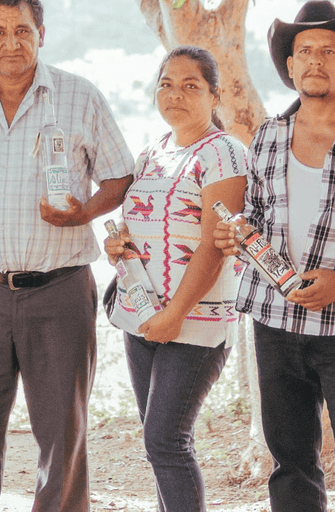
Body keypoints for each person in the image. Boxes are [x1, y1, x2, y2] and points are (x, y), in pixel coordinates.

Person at [0, 0, 134, 512]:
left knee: (63, 439)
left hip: (60, 292)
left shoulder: (80, 95)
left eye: (22, 30)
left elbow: (119, 177)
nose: (11, 43)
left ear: (41, 34)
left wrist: (84, 212)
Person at [213, 0, 335, 511]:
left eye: (328, 50)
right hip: (274, 323)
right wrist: (238, 238)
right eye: (304, 52)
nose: (315, 61)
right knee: (291, 462)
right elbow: (251, 216)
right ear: (291, 66)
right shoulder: (268, 136)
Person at [103, 46, 247, 511]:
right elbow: (137, 228)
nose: (175, 95)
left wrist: (175, 315)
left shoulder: (223, 153)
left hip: (194, 320)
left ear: (214, 95)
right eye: (166, 84)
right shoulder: (151, 156)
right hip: (143, 316)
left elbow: (214, 245)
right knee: (157, 443)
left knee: (167, 440)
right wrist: (116, 246)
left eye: (191, 86)